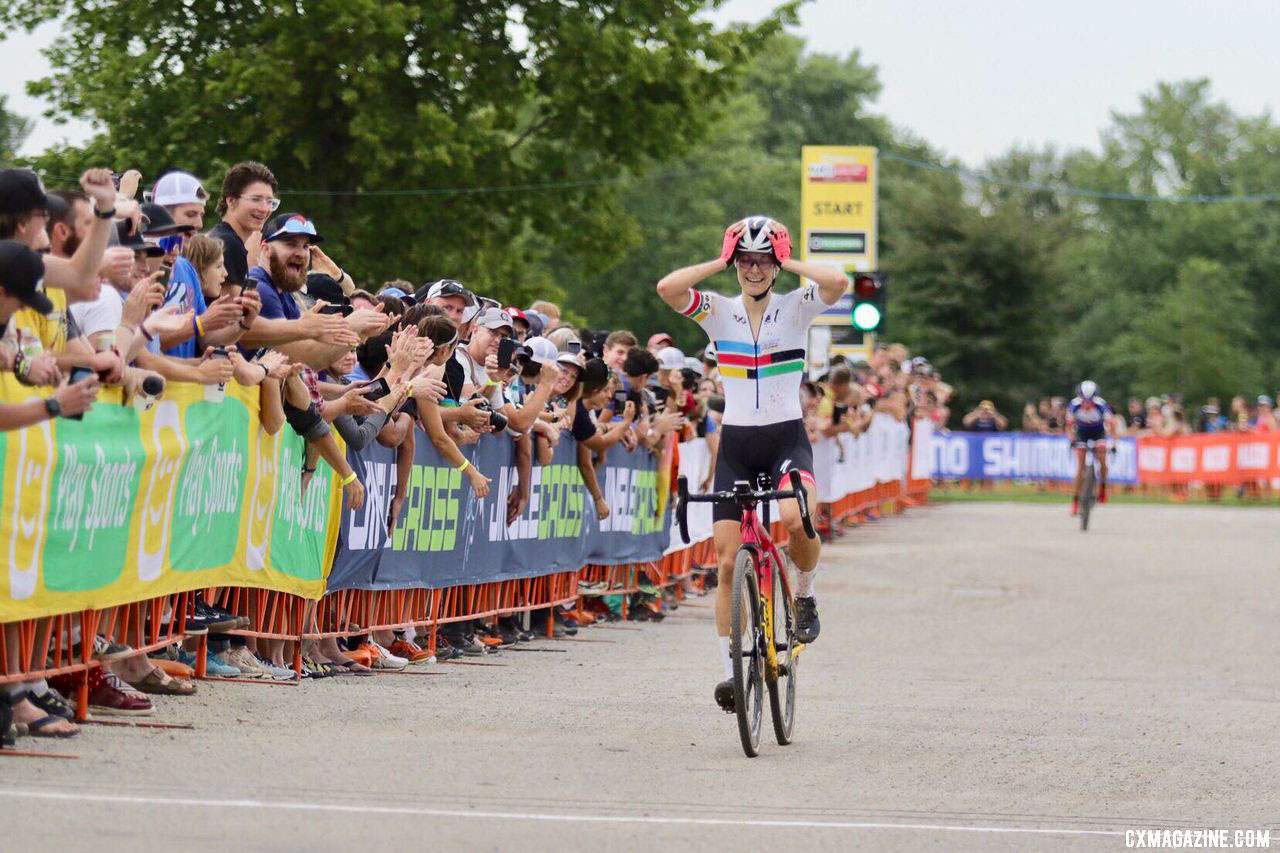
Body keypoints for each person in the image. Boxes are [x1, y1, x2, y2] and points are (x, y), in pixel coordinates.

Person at [656, 215, 845, 713]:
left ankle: (803, 592)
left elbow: (837, 282)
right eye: (746, 260)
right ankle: (730, 676)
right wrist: (719, 260)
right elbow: (667, 288)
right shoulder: (717, 310)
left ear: (777, 265)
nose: (754, 269)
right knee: (724, 563)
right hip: (738, 443)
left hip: (785, 437)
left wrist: (789, 258)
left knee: (794, 520)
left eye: (764, 260)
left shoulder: (796, 306)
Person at [1066, 380, 1113, 515]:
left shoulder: (1101, 405)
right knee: (1080, 466)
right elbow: (1068, 426)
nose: (1087, 403)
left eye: (1090, 400)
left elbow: (1112, 424)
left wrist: (1114, 443)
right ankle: (1075, 501)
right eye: (1084, 400)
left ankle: (1103, 486)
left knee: (1102, 458)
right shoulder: (1074, 405)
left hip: (1098, 432)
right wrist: (1071, 439)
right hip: (1081, 433)